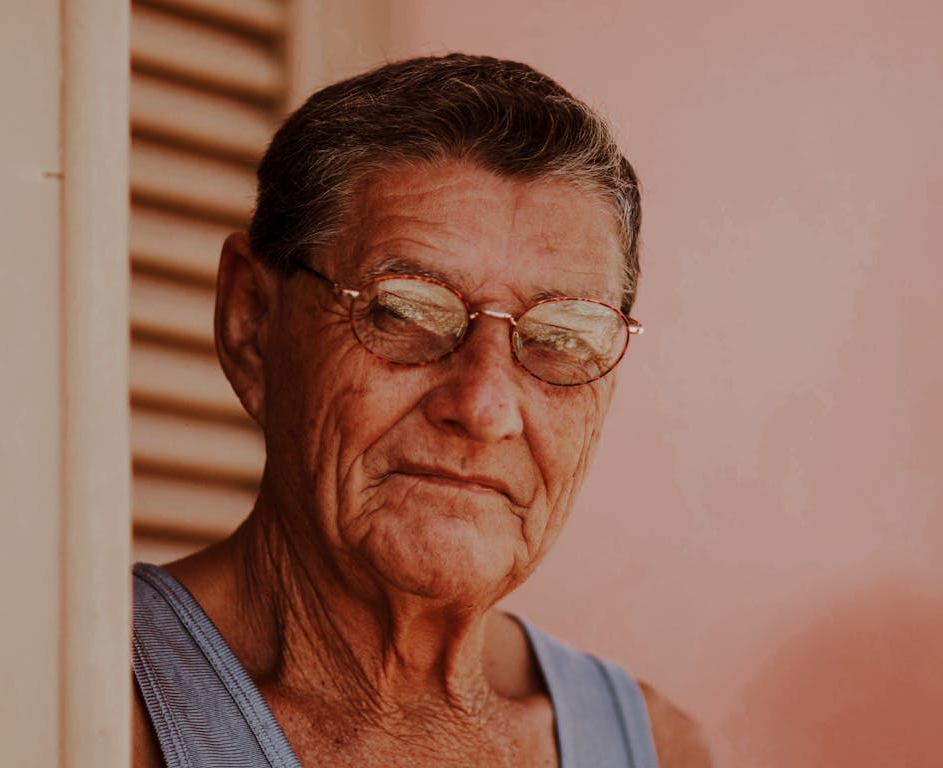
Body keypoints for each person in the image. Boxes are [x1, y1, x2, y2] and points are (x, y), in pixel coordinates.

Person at [132, 53, 712, 767]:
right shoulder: (68, 706)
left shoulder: (657, 749)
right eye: (404, 311)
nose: (484, 405)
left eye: (561, 337)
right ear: (251, 322)